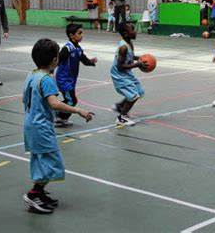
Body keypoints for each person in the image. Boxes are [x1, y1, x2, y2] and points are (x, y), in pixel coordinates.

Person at [22, 38, 94, 214]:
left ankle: (39, 192)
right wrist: (78, 110)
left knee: (41, 161)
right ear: (55, 60)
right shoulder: (46, 79)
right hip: (40, 127)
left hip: (30, 124)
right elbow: (54, 103)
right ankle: (34, 194)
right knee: (53, 163)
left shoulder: (31, 75)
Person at [55, 24, 97, 127]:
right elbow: (58, 60)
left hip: (71, 80)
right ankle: (57, 114)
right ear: (71, 35)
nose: (82, 35)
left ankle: (60, 116)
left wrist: (91, 62)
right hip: (63, 79)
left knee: (71, 100)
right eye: (79, 33)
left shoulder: (78, 48)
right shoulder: (67, 48)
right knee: (72, 100)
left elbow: (84, 60)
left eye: (82, 32)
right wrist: (50, 71)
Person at [110, 23, 147, 127]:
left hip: (126, 72)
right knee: (133, 95)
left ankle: (120, 106)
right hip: (119, 74)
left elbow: (130, 56)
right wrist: (137, 65)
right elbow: (120, 66)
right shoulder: (123, 47)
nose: (135, 32)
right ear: (126, 34)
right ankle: (121, 118)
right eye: (132, 30)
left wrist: (141, 58)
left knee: (139, 91)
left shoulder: (129, 43)